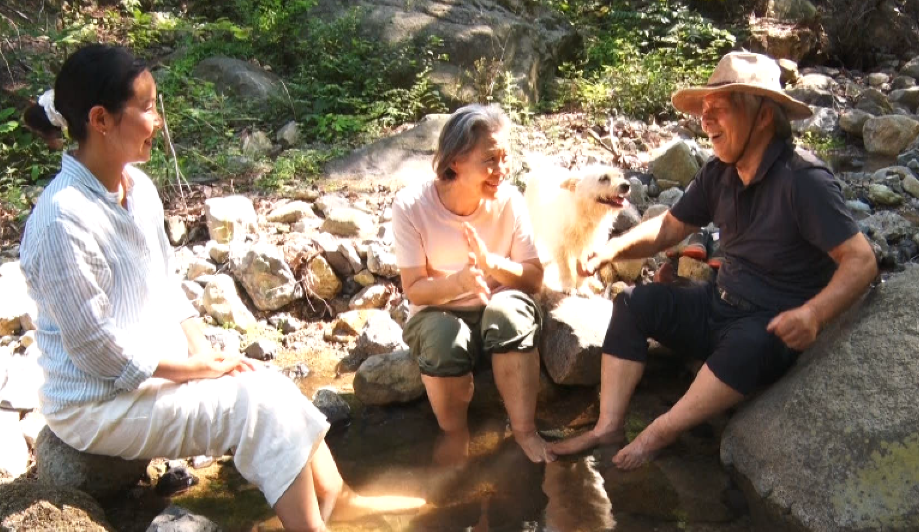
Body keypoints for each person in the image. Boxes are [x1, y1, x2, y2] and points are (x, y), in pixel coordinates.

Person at [19, 44, 423, 531]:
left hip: (151, 372)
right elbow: (95, 351)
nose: (159, 122)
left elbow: (165, 284)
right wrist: (192, 370)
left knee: (264, 380)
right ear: (101, 119)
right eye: (147, 109)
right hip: (96, 402)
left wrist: (208, 357)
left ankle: (342, 496)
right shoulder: (63, 218)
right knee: (254, 405)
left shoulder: (138, 187)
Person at [549, 52, 878, 469]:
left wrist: (813, 314)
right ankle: (607, 427)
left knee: (749, 345)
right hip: (718, 304)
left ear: (762, 117)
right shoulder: (720, 172)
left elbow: (861, 261)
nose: (705, 123)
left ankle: (658, 432)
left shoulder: (804, 180)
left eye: (718, 110)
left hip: (768, 324)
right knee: (635, 302)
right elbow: (670, 228)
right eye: (704, 113)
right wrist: (612, 249)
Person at [392, 104, 554, 465]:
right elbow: (415, 289)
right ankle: (455, 434)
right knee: (441, 338)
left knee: (509, 313)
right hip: (437, 312)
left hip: (499, 304)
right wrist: (460, 282)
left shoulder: (510, 201)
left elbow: (534, 278)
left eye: (505, 158)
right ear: (454, 162)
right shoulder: (411, 206)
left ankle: (525, 430)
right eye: (490, 160)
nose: (502, 170)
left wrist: (490, 263)